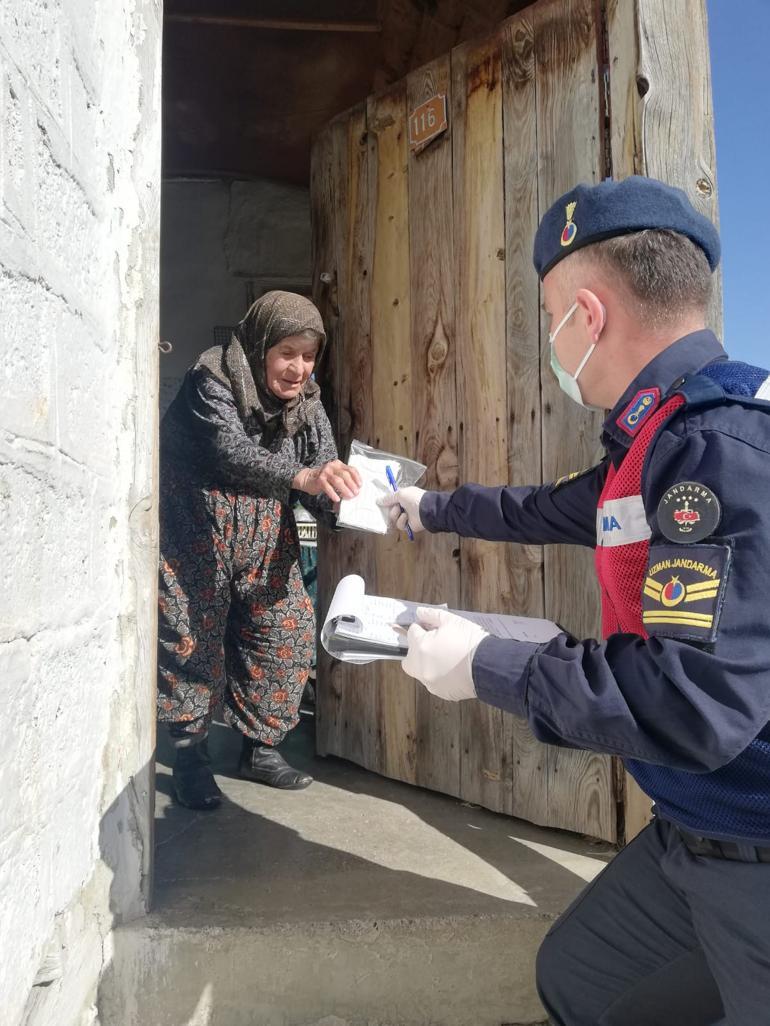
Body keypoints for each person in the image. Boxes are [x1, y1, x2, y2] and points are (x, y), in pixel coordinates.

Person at [382, 176, 770, 1026]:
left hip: (757, 851)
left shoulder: (718, 446)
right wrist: (428, 506)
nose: (551, 339)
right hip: (694, 830)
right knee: (582, 981)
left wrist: (490, 665)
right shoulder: (661, 437)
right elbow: (551, 508)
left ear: (587, 317)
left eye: (551, 313)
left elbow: (691, 697)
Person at [158, 291, 360, 810]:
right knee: (191, 638)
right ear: (259, 346)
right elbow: (230, 451)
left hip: (266, 534)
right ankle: (189, 756)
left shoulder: (307, 405)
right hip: (196, 531)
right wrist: (304, 476)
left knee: (284, 632)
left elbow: (324, 467)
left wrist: (353, 501)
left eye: (309, 355)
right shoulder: (211, 382)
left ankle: (261, 750)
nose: (298, 369)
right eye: (286, 352)